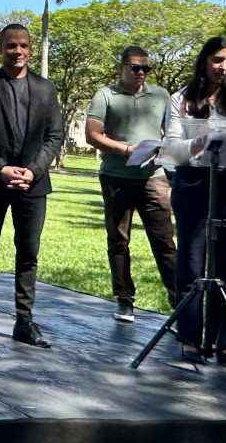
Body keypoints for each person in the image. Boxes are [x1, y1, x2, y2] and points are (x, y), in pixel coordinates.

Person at [0, 24, 63, 347]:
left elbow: (54, 136)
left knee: (28, 254)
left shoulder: (46, 89)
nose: (17, 51)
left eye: (23, 46)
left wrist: (33, 171)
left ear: (30, 49)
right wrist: (1, 168)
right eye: (10, 46)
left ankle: (24, 321)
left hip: (33, 186)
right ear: (0, 49)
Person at [160, 36, 226, 366]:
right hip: (193, 182)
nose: (224, 67)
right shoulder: (181, 99)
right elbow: (172, 144)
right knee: (191, 261)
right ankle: (189, 337)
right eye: (218, 60)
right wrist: (198, 142)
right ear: (204, 61)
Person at [84, 46, 178, 322]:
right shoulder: (105, 95)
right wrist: (126, 150)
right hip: (117, 177)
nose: (141, 73)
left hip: (154, 178)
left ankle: (180, 301)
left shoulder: (161, 96)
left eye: (146, 68)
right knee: (119, 240)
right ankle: (124, 300)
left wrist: (166, 148)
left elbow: (173, 131)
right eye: (135, 67)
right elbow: (92, 135)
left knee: (164, 241)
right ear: (122, 67)